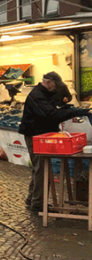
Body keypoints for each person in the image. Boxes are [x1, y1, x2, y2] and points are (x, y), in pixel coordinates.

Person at [19, 72, 92, 210]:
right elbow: (51, 115)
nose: (55, 88)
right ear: (48, 82)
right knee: (41, 168)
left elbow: (58, 103)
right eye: (55, 85)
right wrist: (75, 112)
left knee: (38, 168)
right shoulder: (37, 96)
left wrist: (65, 102)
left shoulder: (45, 93)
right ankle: (38, 203)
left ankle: (32, 198)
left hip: (42, 134)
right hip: (35, 135)